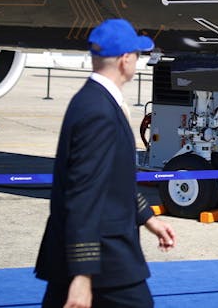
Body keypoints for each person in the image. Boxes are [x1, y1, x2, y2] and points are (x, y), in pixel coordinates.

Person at [35, 19, 176, 308]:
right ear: (125, 59)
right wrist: (83, 275)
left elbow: (113, 178)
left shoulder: (94, 101)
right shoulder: (98, 111)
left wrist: (148, 218)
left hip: (89, 250)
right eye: (137, 55)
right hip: (103, 255)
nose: (138, 62)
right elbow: (83, 193)